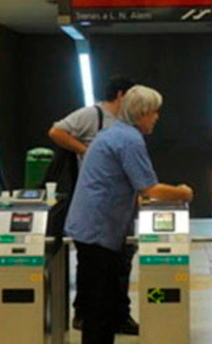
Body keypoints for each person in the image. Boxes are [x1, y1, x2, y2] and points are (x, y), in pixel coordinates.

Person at [64, 85, 193, 344]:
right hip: (99, 232)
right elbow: (150, 187)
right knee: (101, 310)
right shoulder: (130, 140)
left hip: (90, 228)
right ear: (142, 113)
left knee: (101, 306)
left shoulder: (110, 133)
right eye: (155, 112)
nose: (157, 118)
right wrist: (183, 193)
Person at [48, 75, 138, 334]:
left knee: (121, 261)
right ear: (121, 95)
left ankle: (120, 314)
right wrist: (83, 150)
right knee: (93, 265)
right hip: (94, 204)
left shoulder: (125, 123)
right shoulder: (91, 115)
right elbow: (56, 130)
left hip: (119, 206)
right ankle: (85, 313)